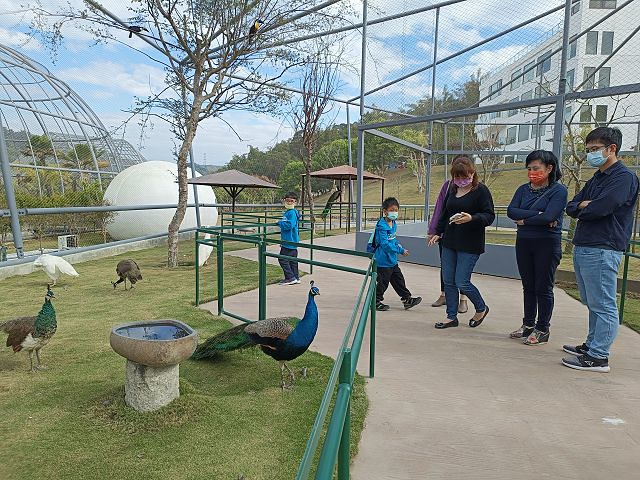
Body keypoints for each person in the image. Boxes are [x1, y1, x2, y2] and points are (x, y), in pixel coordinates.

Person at [562, 127, 639, 372]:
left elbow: (601, 208)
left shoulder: (623, 178)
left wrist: (585, 206)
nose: (590, 154)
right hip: (585, 244)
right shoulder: (597, 177)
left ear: (611, 149)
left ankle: (598, 356)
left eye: (595, 149)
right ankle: (592, 344)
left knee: (603, 303)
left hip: (604, 246)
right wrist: (583, 205)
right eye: (588, 150)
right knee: (591, 300)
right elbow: (572, 206)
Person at [507, 150, 568, 345]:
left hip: (546, 243)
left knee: (543, 287)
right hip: (524, 242)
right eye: (530, 169)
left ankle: (543, 328)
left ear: (549, 168)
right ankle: (528, 324)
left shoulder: (558, 191)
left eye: (536, 168)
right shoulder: (523, 190)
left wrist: (524, 219)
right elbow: (511, 211)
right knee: (528, 286)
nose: (532, 172)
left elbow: (550, 216)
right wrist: (538, 215)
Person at [428, 156, 495, 329]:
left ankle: (481, 308)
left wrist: (471, 218)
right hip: (450, 242)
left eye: (463, 177)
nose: (460, 181)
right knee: (448, 280)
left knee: (461, 281)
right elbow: (444, 213)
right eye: (456, 178)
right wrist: (437, 232)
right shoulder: (453, 189)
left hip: (470, 244)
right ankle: (451, 316)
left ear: (472, 173)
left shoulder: (481, 191)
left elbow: (489, 215)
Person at [428, 159, 468, 314]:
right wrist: (434, 230)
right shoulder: (448, 186)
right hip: (447, 233)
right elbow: (440, 208)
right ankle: (444, 294)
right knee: (446, 266)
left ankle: (463, 299)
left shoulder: (477, 188)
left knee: (463, 268)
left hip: (466, 235)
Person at [372, 197, 422, 311]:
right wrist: (400, 251)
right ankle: (375, 301)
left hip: (392, 260)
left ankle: (407, 299)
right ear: (385, 211)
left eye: (396, 210)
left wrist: (400, 247)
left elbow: (393, 240)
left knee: (399, 280)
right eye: (392, 210)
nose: (394, 212)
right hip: (383, 261)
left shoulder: (393, 223)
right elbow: (384, 244)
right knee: (382, 283)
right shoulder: (381, 226)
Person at [277, 192, 302, 285]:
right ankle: (296, 277)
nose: (289, 203)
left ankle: (290, 277)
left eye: (291, 201)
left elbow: (289, 225)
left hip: (289, 241)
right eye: (287, 201)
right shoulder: (290, 212)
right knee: (292, 261)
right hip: (291, 241)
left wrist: (279, 223)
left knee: (282, 259)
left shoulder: (291, 213)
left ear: (295, 202)